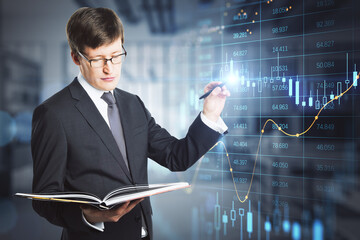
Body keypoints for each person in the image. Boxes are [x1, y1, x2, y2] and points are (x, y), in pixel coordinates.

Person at [31, 7, 230, 240]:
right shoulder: (53, 113)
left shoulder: (133, 104)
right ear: (76, 57)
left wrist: (210, 114)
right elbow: (44, 199)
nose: (109, 68)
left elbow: (178, 157)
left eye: (116, 56)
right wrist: (89, 216)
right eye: (97, 59)